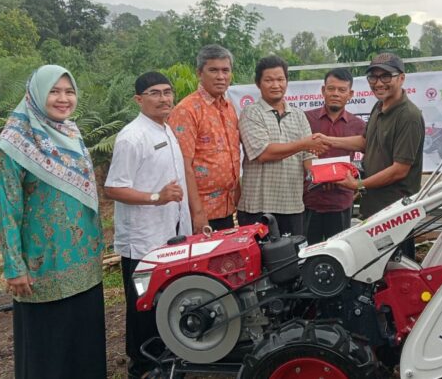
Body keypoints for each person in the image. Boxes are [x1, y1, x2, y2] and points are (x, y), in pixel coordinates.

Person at [0, 65, 106, 379]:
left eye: (69, 91)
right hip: (43, 268)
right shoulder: (11, 146)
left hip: (83, 261)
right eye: (54, 91)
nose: (63, 99)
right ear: (37, 94)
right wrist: (15, 266)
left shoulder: (70, 132)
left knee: (84, 345)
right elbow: (8, 211)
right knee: (49, 351)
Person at [104, 72, 191, 378]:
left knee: (164, 302)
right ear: (139, 99)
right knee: (142, 306)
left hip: (169, 236)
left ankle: (165, 361)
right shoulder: (132, 136)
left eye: (168, 92)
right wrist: (157, 197)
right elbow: (113, 188)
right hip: (142, 241)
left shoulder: (166, 129)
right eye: (155, 93)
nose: (164, 98)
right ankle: (141, 366)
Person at [326, 53, 426, 258]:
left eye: (386, 76)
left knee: (398, 270)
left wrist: (359, 185)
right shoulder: (379, 106)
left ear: (401, 78)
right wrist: (328, 140)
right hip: (375, 209)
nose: (379, 83)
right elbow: (365, 142)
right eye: (373, 77)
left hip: (395, 212)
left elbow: (400, 170)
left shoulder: (409, 116)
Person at [237, 55, 329, 235]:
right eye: (269, 80)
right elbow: (264, 153)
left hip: (292, 206)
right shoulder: (251, 113)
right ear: (258, 83)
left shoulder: (298, 115)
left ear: (287, 81)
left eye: (280, 79)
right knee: (258, 262)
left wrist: (329, 176)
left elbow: (308, 157)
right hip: (257, 207)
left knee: (292, 261)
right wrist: (304, 144)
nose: (275, 85)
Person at [169, 45, 240, 233]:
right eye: (213, 70)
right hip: (200, 213)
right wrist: (198, 213)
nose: (220, 76)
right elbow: (184, 166)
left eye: (226, 70)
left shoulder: (229, 107)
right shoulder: (187, 110)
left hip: (226, 209)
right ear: (199, 73)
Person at [304, 68, 366, 244]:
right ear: (323, 91)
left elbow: (367, 156)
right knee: (306, 254)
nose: (336, 94)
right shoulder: (306, 119)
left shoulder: (358, 125)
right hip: (309, 200)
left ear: (350, 94)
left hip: (341, 201)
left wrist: (357, 184)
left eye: (342, 90)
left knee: (339, 254)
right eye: (331, 89)